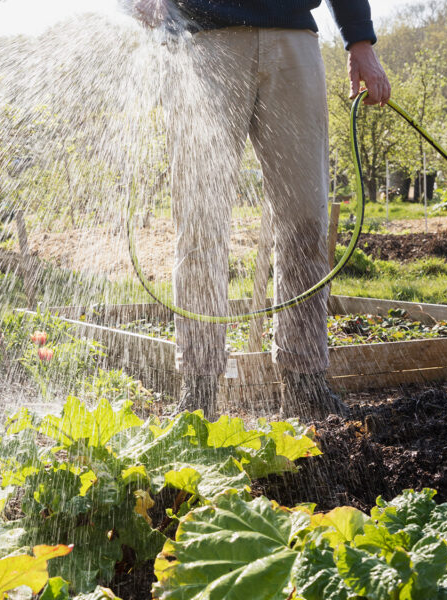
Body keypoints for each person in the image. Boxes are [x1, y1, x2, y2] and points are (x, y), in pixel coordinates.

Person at [133, 0, 391, 419]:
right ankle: (199, 389)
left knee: (307, 219)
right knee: (201, 224)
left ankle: (305, 380)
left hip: (291, 38)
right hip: (203, 44)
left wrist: (360, 40)